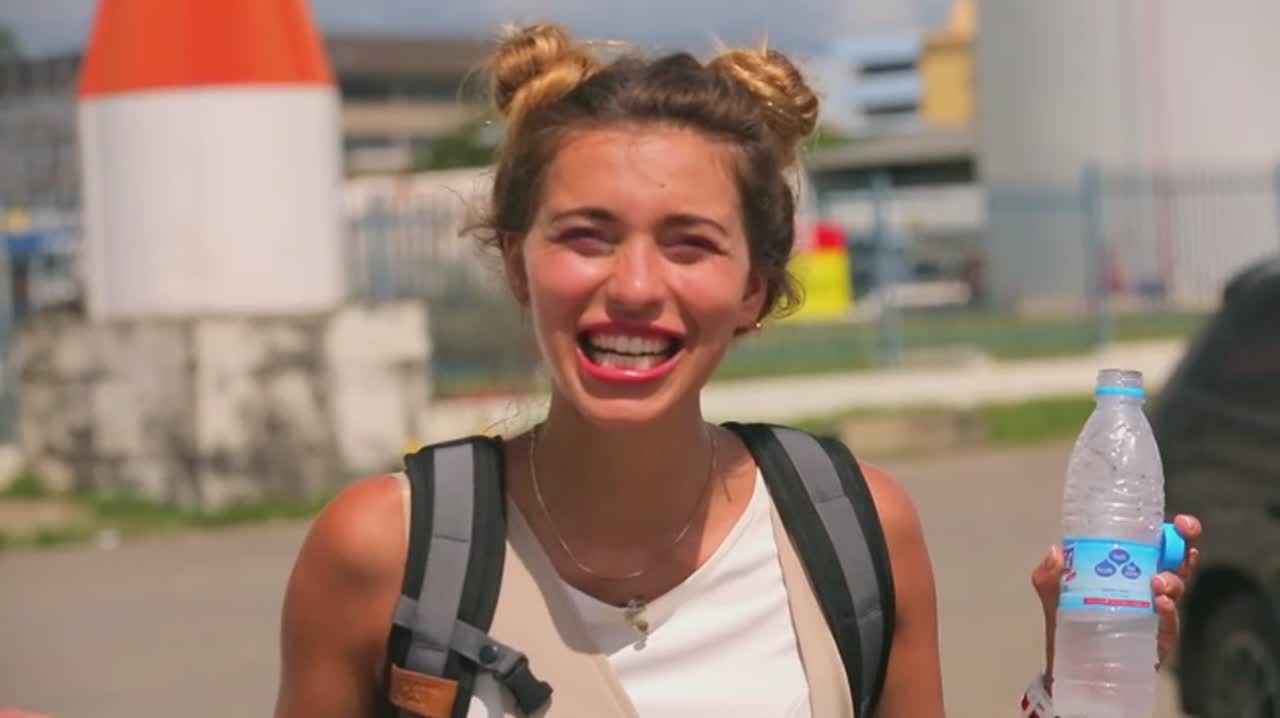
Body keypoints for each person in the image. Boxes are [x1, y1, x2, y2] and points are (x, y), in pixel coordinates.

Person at [274, 23, 1202, 718]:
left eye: (691, 243)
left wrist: (1077, 683)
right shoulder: (386, 552)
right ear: (518, 263)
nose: (635, 287)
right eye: (587, 236)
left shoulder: (854, 533)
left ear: (754, 287)